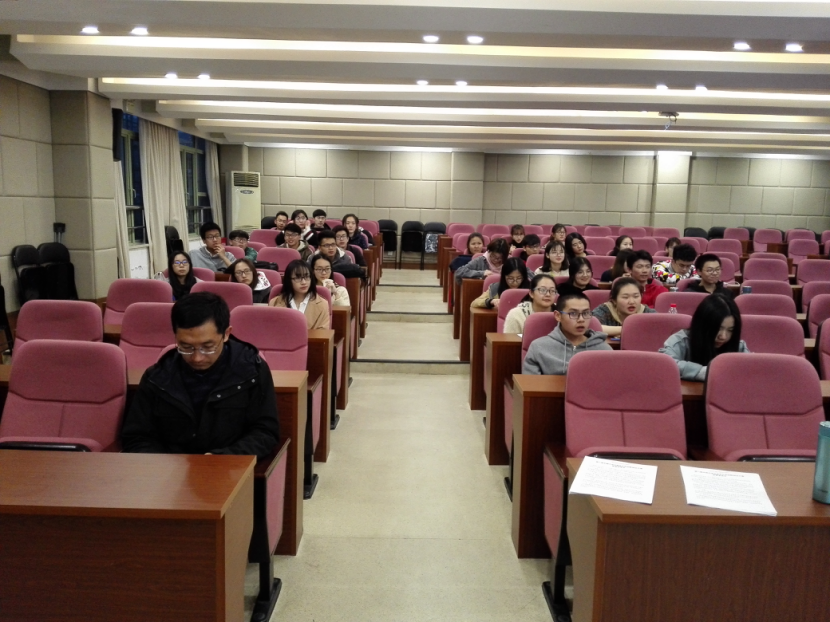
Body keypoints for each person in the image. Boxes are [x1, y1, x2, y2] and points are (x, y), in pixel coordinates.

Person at [120, 292, 280, 458]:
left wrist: (222, 458)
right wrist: (164, 465)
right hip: (168, 469)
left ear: (226, 334)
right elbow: (137, 436)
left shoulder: (252, 372)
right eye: (186, 347)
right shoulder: (157, 378)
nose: (197, 357)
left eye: (207, 347)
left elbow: (265, 432)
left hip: (230, 467)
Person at [659, 293, 750, 381]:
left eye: (730, 330)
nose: (723, 336)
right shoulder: (680, 341)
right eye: (718, 329)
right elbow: (667, 364)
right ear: (702, 325)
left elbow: (751, 368)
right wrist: (703, 372)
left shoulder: (739, 346)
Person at [522, 292, 612, 375]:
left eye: (586, 313)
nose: (581, 319)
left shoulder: (604, 350)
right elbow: (530, 384)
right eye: (573, 313)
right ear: (558, 316)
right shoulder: (539, 347)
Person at [269, 259, 330, 329]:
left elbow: (323, 332)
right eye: (298, 278)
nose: (304, 282)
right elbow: (271, 330)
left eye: (307, 277)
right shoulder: (274, 303)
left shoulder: (323, 304)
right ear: (289, 280)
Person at [591, 276, 656, 337]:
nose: (631, 302)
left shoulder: (647, 312)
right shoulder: (604, 310)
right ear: (614, 300)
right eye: (625, 297)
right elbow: (592, 327)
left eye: (636, 296)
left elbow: (658, 327)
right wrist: (628, 329)